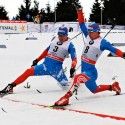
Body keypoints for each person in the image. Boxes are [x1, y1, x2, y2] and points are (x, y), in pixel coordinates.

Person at [54, 8, 124, 106]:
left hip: (91, 72)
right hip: (85, 70)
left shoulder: (102, 42)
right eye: (89, 31)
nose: (90, 33)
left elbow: (114, 50)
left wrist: (123, 55)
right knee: (94, 90)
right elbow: (82, 24)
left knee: (78, 77)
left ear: (98, 32)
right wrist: (79, 12)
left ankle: (66, 98)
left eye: (92, 32)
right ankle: (112, 87)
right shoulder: (88, 36)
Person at [0, 26, 77, 96]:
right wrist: (37, 60)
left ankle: (77, 80)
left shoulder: (70, 45)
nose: (60, 37)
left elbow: (74, 59)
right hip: (44, 66)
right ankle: (11, 86)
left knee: (67, 87)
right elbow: (46, 51)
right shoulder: (55, 40)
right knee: (28, 71)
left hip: (56, 71)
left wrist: (72, 68)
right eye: (59, 35)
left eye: (62, 35)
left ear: (67, 35)